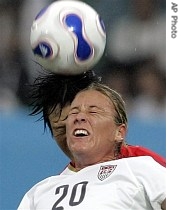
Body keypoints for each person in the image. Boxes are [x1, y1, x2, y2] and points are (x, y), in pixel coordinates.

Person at [18, 80, 166, 209]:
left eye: (93, 112)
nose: (79, 117)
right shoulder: (39, 192)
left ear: (119, 133)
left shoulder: (141, 168)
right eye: (74, 113)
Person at [29, 70, 166, 166]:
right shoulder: (55, 190)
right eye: (61, 130)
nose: (73, 132)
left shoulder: (146, 166)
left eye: (80, 119)